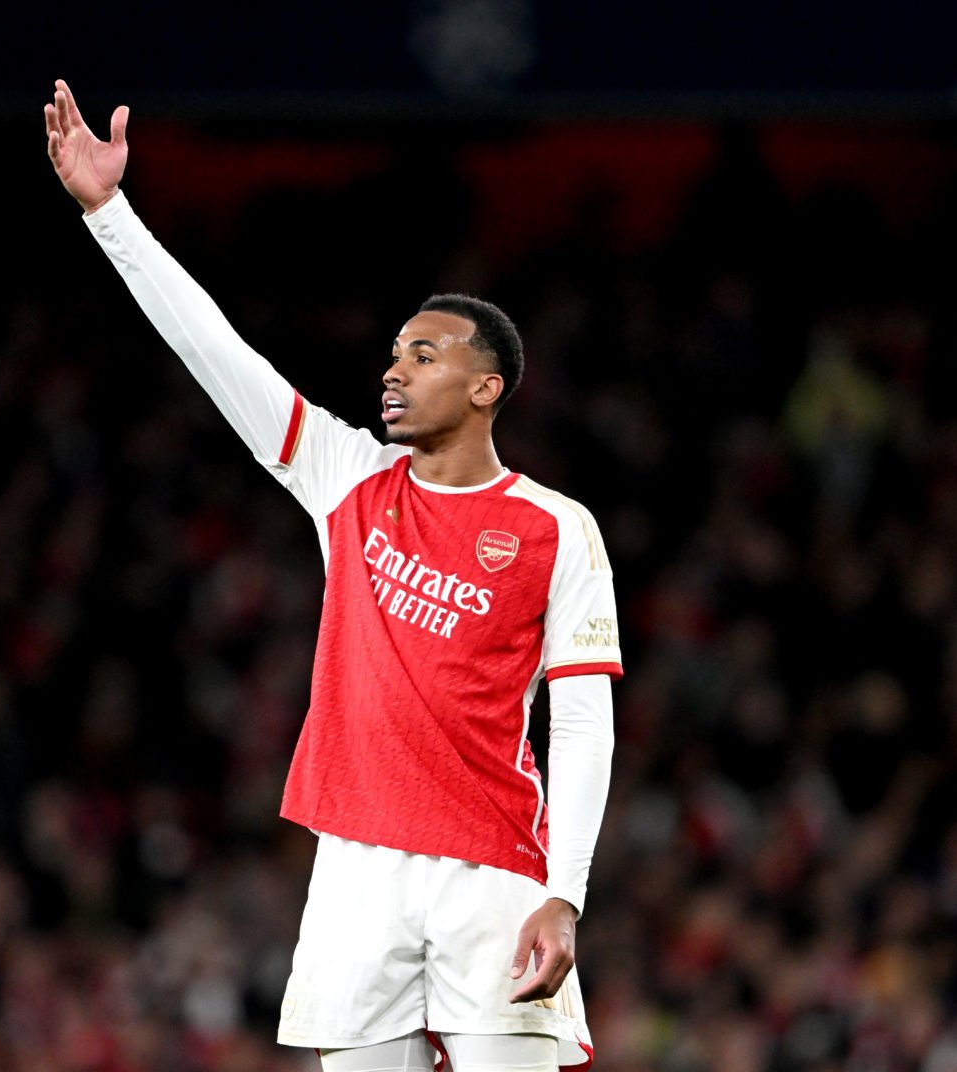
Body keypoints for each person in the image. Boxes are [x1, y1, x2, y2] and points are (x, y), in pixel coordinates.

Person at [44, 79, 622, 1072]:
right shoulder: (346, 478)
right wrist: (111, 217)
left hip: (495, 875)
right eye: (394, 352)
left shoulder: (556, 530)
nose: (394, 370)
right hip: (357, 866)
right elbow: (214, 351)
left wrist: (564, 891)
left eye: (426, 355)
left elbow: (581, 720)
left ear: (488, 387)